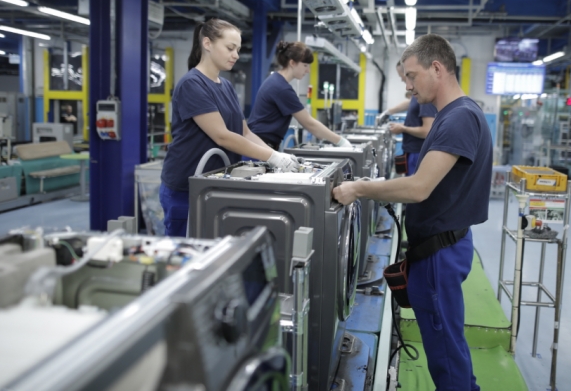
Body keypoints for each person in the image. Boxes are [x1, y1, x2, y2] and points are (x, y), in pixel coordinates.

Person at [333, 34, 489, 391]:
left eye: (412, 76)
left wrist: (359, 188)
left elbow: (419, 187)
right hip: (439, 248)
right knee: (446, 347)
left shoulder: (459, 118)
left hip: (440, 253)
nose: (408, 86)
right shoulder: (455, 114)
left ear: (437, 68)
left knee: (446, 353)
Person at [160, 19, 299, 237]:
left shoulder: (226, 86)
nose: (235, 55)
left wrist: (277, 156)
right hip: (186, 188)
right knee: (185, 250)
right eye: (230, 48)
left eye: (238, 50)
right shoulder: (192, 84)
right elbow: (222, 136)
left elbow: (245, 132)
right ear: (207, 43)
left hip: (215, 185)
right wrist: (272, 156)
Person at [248, 41, 351, 149]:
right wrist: (340, 141)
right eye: (305, 65)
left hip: (260, 143)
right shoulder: (281, 88)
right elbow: (309, 123)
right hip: (260, 146)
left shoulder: (276, 81)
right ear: (292, 63)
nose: (308, 70)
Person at [377, 60, 436, 175]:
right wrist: (388, 112)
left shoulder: (425, 95)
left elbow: (427, 131)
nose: (402, 80)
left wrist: (403, 128)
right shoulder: (417, 92)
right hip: (412, 151)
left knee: (414, 184)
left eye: (402, 76)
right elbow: (410, 103)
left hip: (418, 153)